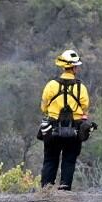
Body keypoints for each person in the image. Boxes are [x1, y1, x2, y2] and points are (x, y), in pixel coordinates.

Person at [40, 50, 90, 191]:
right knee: (69, 159)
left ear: (63, 67)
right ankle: (64, 188)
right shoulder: (81, 87)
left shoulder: (51, 85)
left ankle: (46, 190)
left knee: (50, 160)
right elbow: (85, 106)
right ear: (74, 68)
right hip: (74, 129)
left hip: (52, 128)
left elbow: (43, 106)